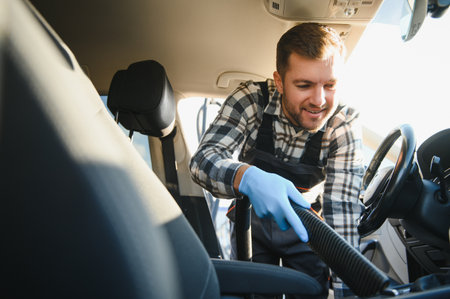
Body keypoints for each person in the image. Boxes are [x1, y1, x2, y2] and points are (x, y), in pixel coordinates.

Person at [189, 22, 365, 298]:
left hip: (307, 231)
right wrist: (246, 177)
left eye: (330, 85)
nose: (319, 101)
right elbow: (203, 161)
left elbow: (342, 212)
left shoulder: (342, 123)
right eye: (304, 85)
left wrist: (348, 294)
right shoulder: (251, 100)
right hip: (251, 225)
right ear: (280, 82)